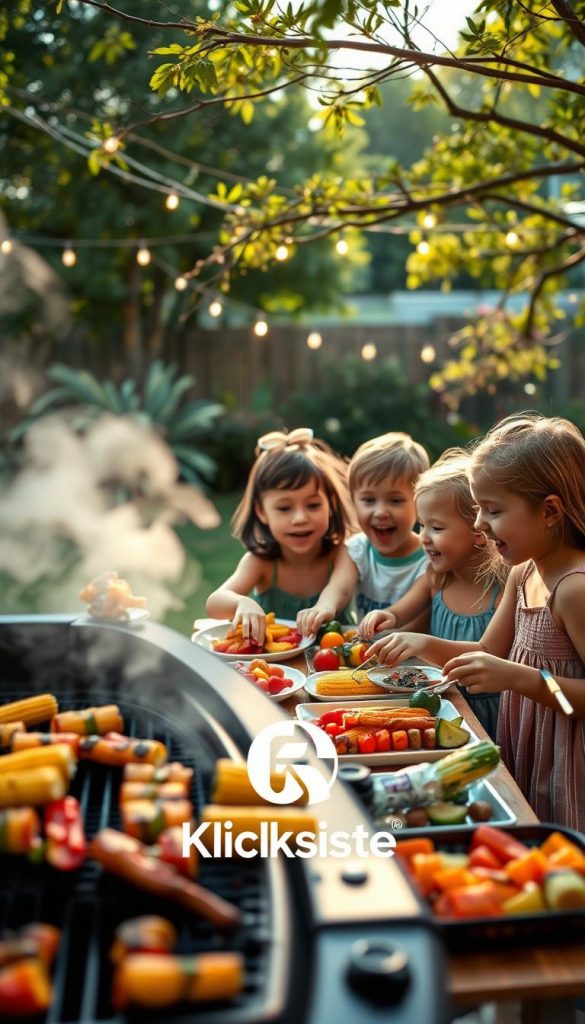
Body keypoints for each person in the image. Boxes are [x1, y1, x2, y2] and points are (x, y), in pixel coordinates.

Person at [369, 413, 585, 831]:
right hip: (530, 748)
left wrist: (523, 680)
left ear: (550, 511)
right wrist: (420, 643)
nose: (480, 525)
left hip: (568, 761)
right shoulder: (525, 573)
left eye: (492, 510)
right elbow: (486, 653)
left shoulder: (575, 588)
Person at [360, 449, 506, 737]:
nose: (423, 537)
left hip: (490, 714)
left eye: (436, 527)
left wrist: (423, 644)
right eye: (422, 525)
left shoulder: (502, 591)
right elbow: (399, 612)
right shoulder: (436, 577)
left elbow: (488, 654)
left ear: (479, 530)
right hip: (437, 703)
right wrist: (384, 616)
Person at [205, 428, 357, 643]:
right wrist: (241, 603)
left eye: (313, 505)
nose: (300, 518)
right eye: (284, 508)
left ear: (331, 504)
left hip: (332, 665)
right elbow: (214, 603)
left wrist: (324, 607)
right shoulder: (261, 562)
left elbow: (340, 590)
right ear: (261, 512)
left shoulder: (341, 553)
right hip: (275, 670)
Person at [297, 431, 429, 638]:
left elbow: (421, 615)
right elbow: (340, 588)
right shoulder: (356, 549)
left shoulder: (430, 557)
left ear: (420, 502)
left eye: (395, 500)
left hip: (415, 659)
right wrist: (324, 607)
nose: (381, 512)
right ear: (354, 502)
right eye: (368, 500)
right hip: (366, 658)